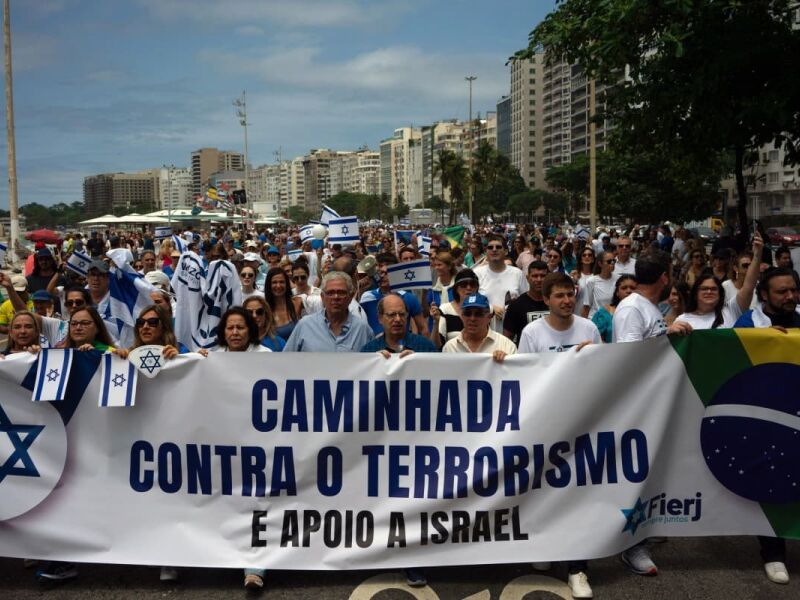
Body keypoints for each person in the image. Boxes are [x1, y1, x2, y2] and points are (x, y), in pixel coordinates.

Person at [611, 250, 691, 576]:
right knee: (636, 475)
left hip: (653, 403)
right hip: (635, 406)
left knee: (652, 471)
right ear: (663, 278)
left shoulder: (648, 308)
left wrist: (666, 327)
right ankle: (631, 546)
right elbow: (630, 357)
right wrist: (665, 335)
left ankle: (645, 528)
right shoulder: (631, 308)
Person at [733, 266, 799, 583]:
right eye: (781, 292)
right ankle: (772, 553)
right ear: (764, 296)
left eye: (793, 290)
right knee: (771, 483)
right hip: (767, 418)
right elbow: (726, 357)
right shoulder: (750, 323)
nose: (789, 297)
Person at [676, 236, 762, 329]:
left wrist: (756, 256)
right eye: (704, 289)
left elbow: (748, 287)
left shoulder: (730, 311)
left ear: (720, 294)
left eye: (714, 289)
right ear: (695, 293)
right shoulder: (682, 320)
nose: (709, 292)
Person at [284, 271, 374, 352]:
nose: (335, 297)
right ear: (322, 297)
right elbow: (286, 360)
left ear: (350, 297)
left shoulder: (363, 329)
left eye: (341, 293)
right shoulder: (305, 325)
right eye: (330, 293)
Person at [359, 253, 427, 336]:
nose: (382, 276)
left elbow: (423, 328)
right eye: (380, 272)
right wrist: (359, 290)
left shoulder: (408, 298)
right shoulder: (367, 297)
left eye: (386, 273)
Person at [474, 235, 528, 331]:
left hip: (512, 331)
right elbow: (471, 301)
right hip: (484, 331)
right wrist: (490, 308)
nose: (494, 250)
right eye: (490, 247)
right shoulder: (477, 273)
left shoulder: (517, 273)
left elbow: (525, 300)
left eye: (498, 247)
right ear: (486, 252)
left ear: (506, 251)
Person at [441, 293, 516, 362]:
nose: (472, 318)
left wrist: (507, 362)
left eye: (478, 314)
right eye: (468, 313)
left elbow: (515, 373)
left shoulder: (506, 346)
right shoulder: (450, 348)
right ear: (461, 316)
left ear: (489, 317)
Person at [361, 293, 437, 356]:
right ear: (380, 318)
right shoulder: (369, 351)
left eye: (402, 314)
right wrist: (375, 362)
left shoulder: (425, 347)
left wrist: (417, 361)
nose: (398, 319)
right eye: (391, 314)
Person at [502, 260, 549, 344]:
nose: (539, 279)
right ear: (528, 278)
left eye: (542, 276)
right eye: (535, 276)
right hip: (525, 355)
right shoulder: (515, 305)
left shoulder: (555, 303)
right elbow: (507, 339)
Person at [592, 274, 637, 343]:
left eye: (632, 288)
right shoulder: (604, 312)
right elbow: (594, 340)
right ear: (617, 293)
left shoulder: (645, 312)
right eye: (624, 288)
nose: (628, 291)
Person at [264, 267, 304, 340]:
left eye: (282, 282)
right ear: (268, 285)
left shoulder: (298, 302)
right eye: (274, 282)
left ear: (287, 284)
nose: (278, 286)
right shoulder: (264, 310)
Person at [581, 251, 617, 319]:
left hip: (612, 320)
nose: (612, 263)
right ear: (600, 264)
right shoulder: (591, 281)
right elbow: (586, 306)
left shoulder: (618, 279)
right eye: (609, 261)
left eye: (614, 261)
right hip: (596, 321)